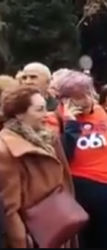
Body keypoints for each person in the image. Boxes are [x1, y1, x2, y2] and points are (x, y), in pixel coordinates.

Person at [45, 70, 107, 248]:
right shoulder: (53, 119)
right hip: (78, 190)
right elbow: (62, 156)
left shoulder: (103, 112)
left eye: (89, 93)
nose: (88, 100)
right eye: (80, 97)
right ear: (64, 100)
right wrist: (71, 124)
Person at [0, 85, 75, 248]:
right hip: (35, 236)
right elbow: (10, 210)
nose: (46, 115)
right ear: (19, 114)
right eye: (39, 109)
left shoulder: (47, 138)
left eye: (46, 108)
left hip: (58, 226)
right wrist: (20, 242)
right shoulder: (6, 150)